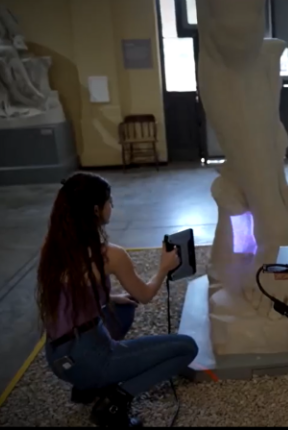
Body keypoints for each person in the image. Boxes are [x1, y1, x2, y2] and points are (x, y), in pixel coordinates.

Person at [36, 172, 199, 427]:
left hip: (59, 356)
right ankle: (115, 401)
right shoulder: (110, 255)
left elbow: (71, 292)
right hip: (90, 359)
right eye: (110, 201)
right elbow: (145, 295)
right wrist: (163, 268)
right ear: (96, 209)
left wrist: (110, 297)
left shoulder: (55, 248)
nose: (112, 206)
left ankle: (85, 388)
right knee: (187, 347)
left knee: (123, 310)